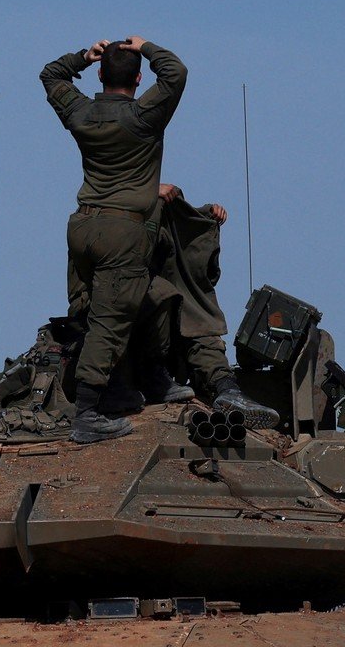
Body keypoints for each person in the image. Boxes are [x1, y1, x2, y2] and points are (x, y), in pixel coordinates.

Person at [42, 35, 186, 443]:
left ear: (100, 74)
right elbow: (176, 74)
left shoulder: (82, 113)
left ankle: (117, 388)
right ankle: (88, 414)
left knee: (94, 312)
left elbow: (51, 75)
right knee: (109, 321)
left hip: (83, 226)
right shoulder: (144, 116)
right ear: (139, 78)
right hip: (124, 231)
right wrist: (147, 46)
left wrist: (82, 57)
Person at [144, 183, 278, 428]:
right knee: (161, 298)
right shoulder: (119, 237)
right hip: (136, 347)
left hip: (172, 344)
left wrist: (206, 216)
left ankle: (226, 389)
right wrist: (148, 193)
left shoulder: (176, 273)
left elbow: (206, 275)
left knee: (198, 323)